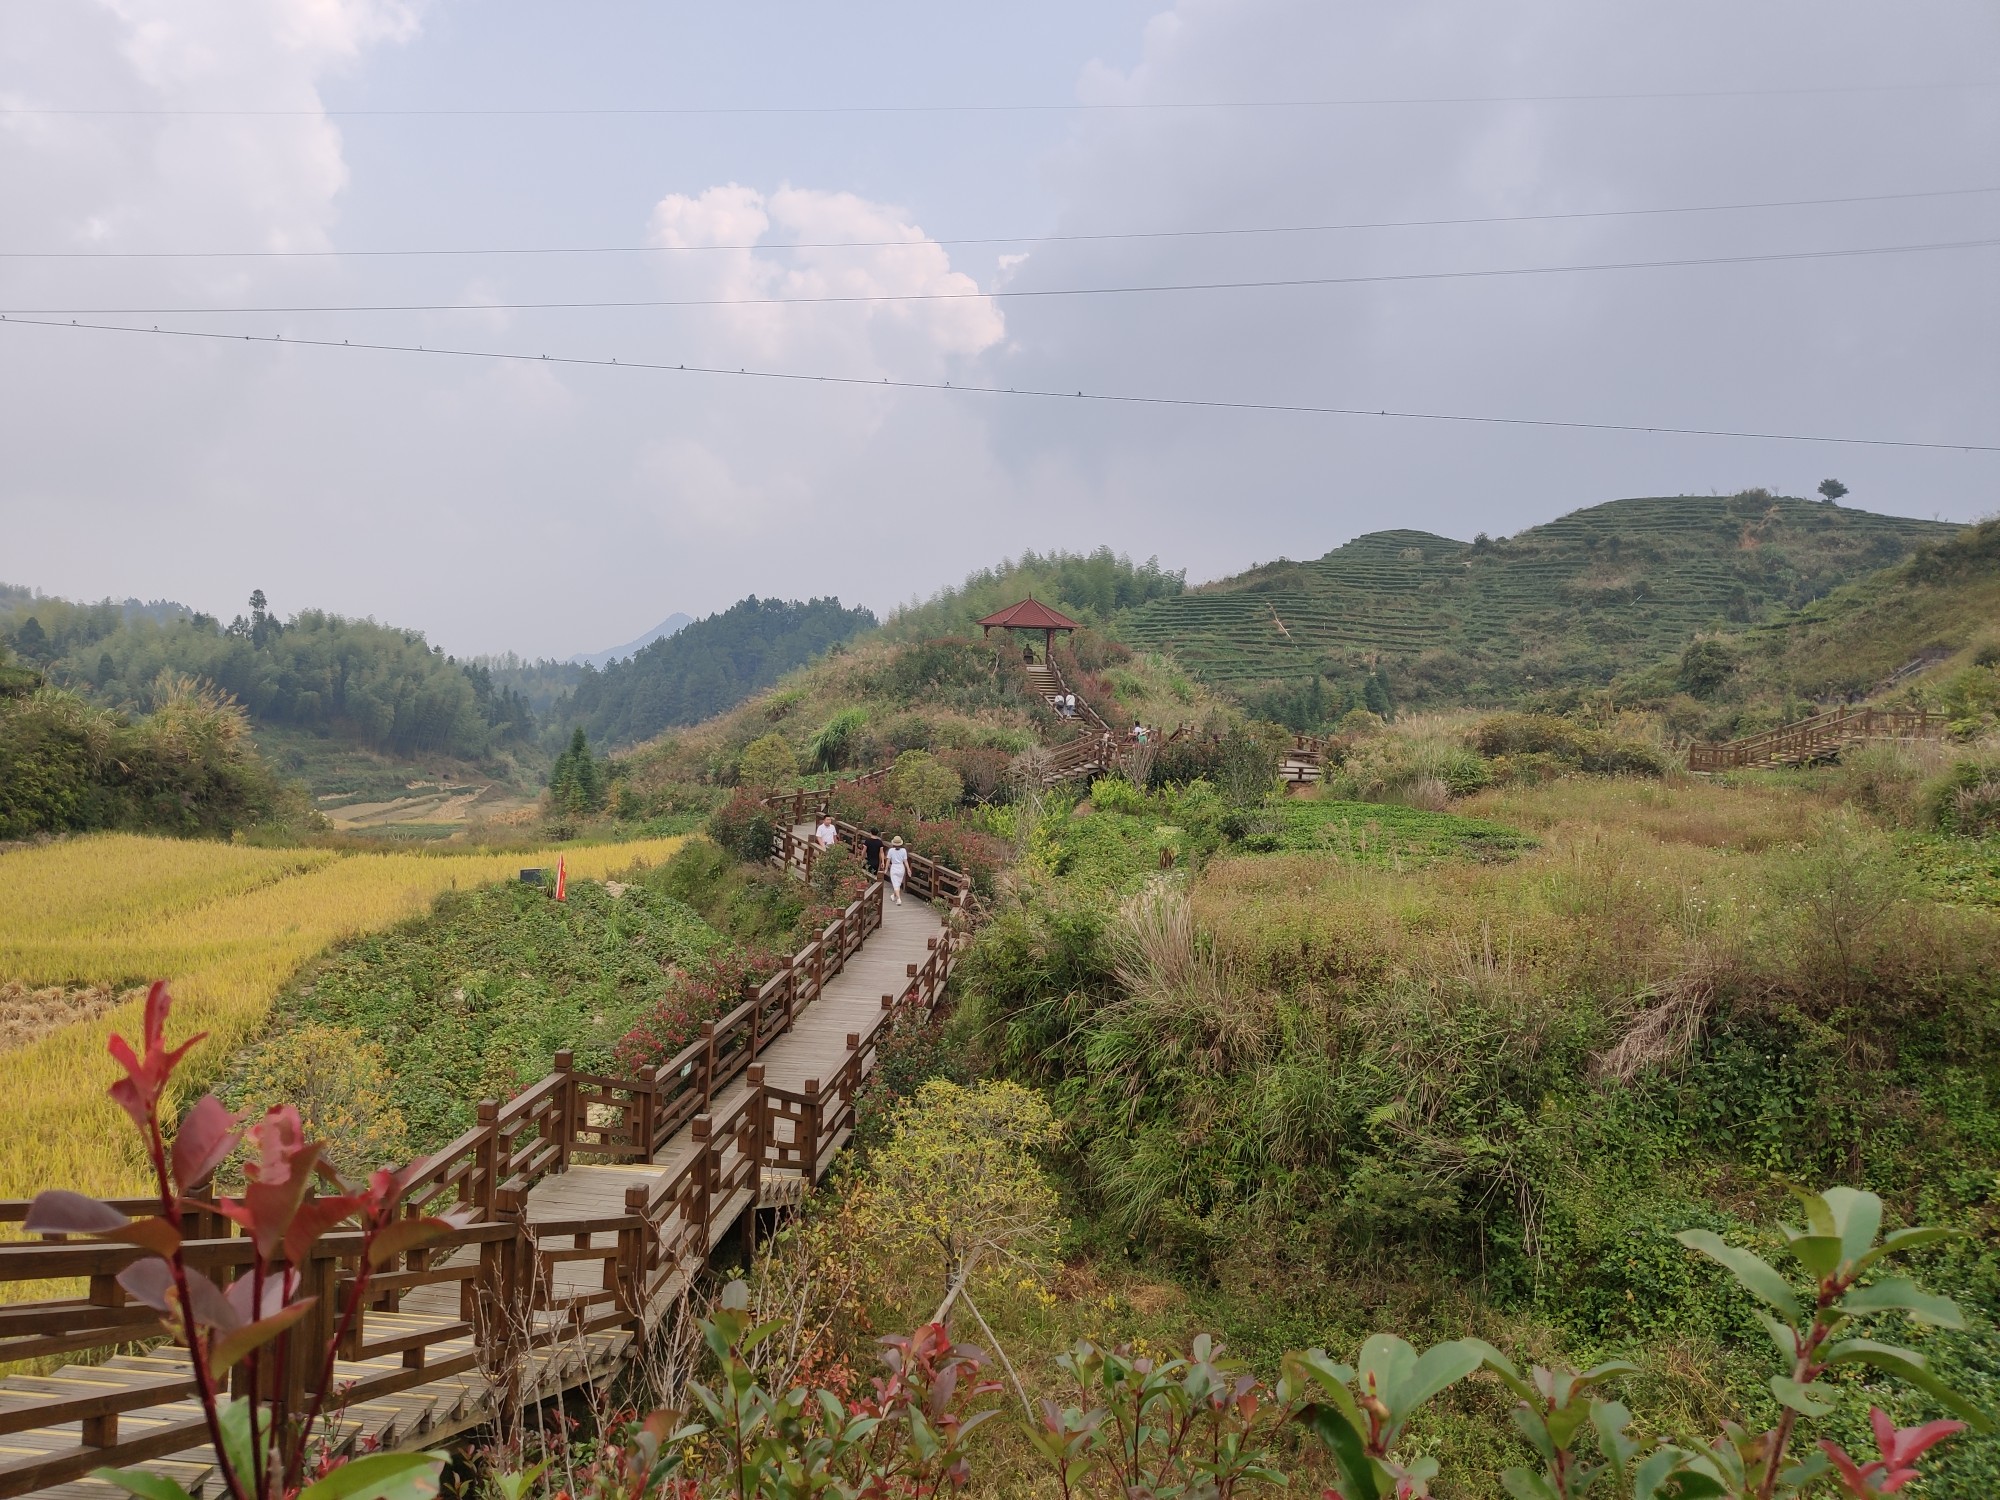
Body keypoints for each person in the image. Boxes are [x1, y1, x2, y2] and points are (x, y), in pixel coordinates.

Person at [886, 835, 909, 904]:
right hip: (901, 868)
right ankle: (893, 896)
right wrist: (908, 869)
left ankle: (899, 899)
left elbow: (888, 860)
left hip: (894, 867)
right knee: (898, 883)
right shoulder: (904, 850)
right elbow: (905, 861)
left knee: (895, 884)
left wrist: (886, 869)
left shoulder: (891, 850)